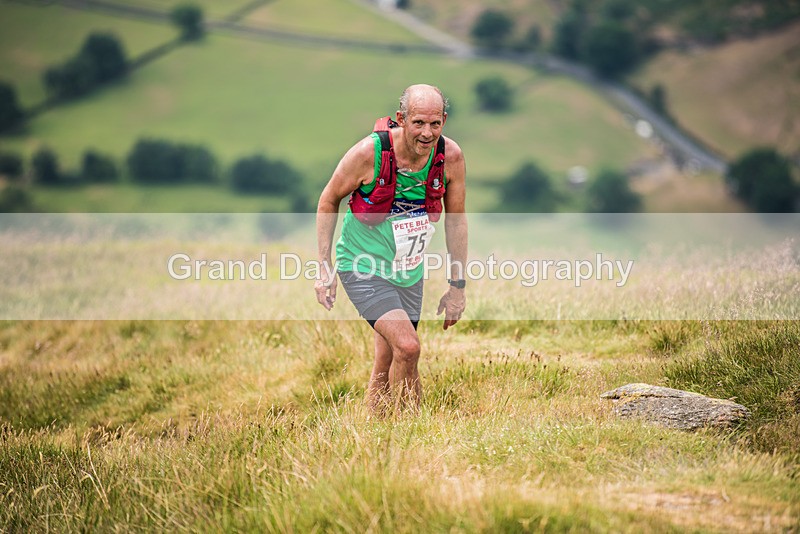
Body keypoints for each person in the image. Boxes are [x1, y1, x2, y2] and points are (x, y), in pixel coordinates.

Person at [315, 83, 467, 413]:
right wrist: (324, 267)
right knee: (409, 347)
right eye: (418, 123)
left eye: (435, 124)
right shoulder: (369, 154)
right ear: (401, 119)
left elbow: (456, 221)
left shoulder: (450, 157)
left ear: (444, 120)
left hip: (408, 271)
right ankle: (414, 428)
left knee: (386, 360)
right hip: (362, 265)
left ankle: (378, 435)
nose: (427, 133)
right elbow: (328, 200)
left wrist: (457, 287)